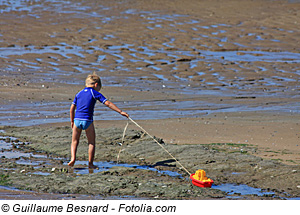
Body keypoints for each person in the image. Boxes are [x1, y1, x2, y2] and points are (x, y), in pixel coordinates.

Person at [68, 73, 129, 168]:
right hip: (87, 120)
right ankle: (90, 164)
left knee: (74, 141)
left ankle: (73, 159)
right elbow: (107, 103)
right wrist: (120, 111)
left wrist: (72, 121)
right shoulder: (94, 92)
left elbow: (72, 108)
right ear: (96, 85)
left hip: (77, 120)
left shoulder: (79, 93)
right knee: (91, 142)